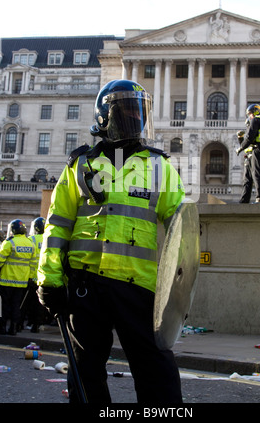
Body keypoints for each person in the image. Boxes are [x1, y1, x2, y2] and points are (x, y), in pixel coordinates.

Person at [37, 79, 185, 405]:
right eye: (127, 111)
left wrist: (178, 295)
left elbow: (182, 232)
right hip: (84, 287)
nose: (135, 118)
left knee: (159, 379)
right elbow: (57, 226)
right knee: (85, 378)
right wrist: (49, 280)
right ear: (105, 115)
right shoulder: (79, 166)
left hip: (138, 289)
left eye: (140, 111)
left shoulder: (159, 167)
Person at [0, 219, 36, 335]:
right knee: (16, 305)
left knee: (4, 306)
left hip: (6, 280)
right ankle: (13, 328)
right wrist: (31, 278)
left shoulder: (9, 242)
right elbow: (33, 264)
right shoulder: (30, 243)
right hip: (22, 282)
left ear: (13, 230)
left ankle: (2, 327)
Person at [24, 217, 46, 332]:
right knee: (41, 303)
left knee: (30, 302)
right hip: (45, 276)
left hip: (31, 276)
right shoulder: (49, 238)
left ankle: (30, 322)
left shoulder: (31, 239)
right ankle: (39, 324)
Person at [237, 119, 253, 203]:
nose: (247, 126)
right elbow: (245, 146)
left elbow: (247, 144)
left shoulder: (254, 132)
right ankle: (244, 200)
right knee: (247, 180)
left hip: (255, 158)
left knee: (257, 179)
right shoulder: (248, 133)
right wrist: (240, 139)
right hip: (249, 158)